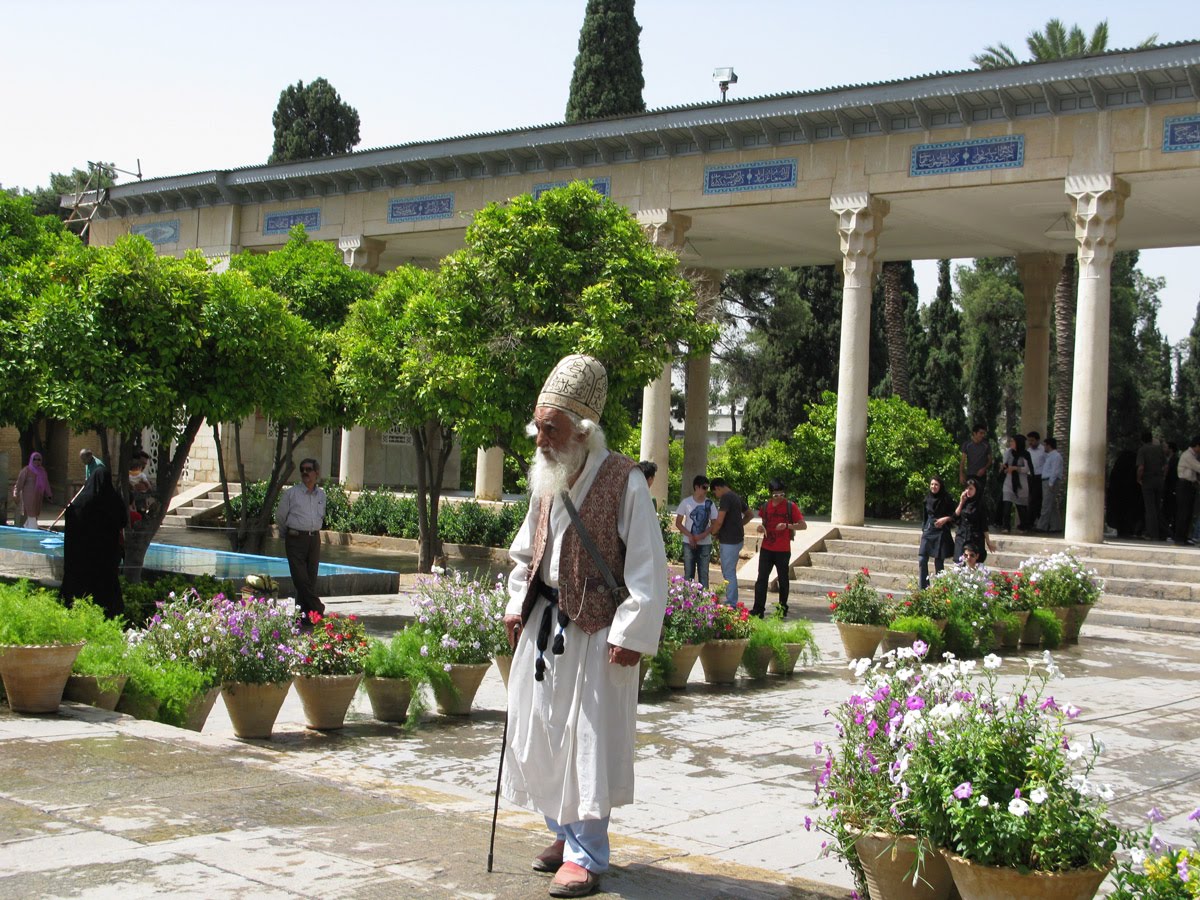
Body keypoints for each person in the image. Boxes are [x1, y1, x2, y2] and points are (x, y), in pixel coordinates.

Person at [501, 354, 667, 899]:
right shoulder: (546, 477)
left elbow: (646, 567)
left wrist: (630, 635)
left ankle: (587, 855)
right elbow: (526, 554)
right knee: (541, 738)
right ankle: (560, 833)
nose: (540, 439)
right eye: (538, 426)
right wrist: (513, 604)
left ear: (583, 431)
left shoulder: (625, 481)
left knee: (586, 745)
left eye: (551, 428)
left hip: (597, 636)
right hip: (544, 627)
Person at [59, 468, 128, 618]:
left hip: (82, 559)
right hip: (106, 559)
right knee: (106, 594)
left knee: (81, 591)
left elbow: (71, 520)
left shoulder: (81, 503)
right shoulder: (114, 502)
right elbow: (123, 520)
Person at [276, 457, 327, 622]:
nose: (305, 473)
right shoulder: (292, 493)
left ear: (316, 473)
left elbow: (321, 515)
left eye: (308, 469)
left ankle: (304, 616)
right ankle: (318, 607)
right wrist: (287, 533)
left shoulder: (321, 494)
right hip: (295, 538)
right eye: (302, 470)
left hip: (314, 539)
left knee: (310, 579)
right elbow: (280, 516)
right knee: (300, 578)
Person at [751, 478, 805, 618]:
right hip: (767, 548)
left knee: (783, 580)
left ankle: (782, 609)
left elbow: (803, 525)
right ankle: (758, 609)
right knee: (762, 579)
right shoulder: (765, 506)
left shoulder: (790, 506)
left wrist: (787, 526)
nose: (779, 497)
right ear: (771, 494)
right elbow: (763, 523)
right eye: (776, 495)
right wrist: (761, 528)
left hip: (783, 549)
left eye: (782, 494)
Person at [709, 477, 752, 607]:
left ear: (717, 488)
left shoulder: (726, 498)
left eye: (714, 493)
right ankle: (731, 600)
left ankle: (731, 602)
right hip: (737, 539)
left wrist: (714, 532)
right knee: (729, 570)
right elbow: (750, 514)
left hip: (729, 541)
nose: (716, 496)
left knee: (729, 572)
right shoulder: (736, 497)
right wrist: (738, 525)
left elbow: (720, 520)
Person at [674, 474, 715, 587]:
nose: (706, 491)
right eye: (704, 487)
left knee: (704, 574)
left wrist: (702, 535)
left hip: (705, 543)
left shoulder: (710, 504)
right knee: (688, 574)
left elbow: (714, 524)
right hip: (688, 542)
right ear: (697, 487)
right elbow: (678, 523)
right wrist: (690, 536)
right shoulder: (686, 502)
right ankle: (687, 600)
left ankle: (704, 602)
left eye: (707, 488)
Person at [917, 475, 955, 589]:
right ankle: (923, 588)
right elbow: (925, 516)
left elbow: (955, 515)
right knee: (922, 559)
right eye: (932, 484)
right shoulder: (927, 498)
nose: (933, 487)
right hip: (929, 530)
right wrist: (924, 529)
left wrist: (945, 519)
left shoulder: (947, 499)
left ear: (940, 486)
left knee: (939, 562)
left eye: (936, 484)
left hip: (941, 532)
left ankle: (940, 589)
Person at [954, 477, 996, 565]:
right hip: (962, 536)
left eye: (971, 488)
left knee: (973, 564)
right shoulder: (964, 502)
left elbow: (984, 524)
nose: (968, 491)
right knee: (959, 563)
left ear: (976, 490)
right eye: (966, 488)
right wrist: (961, 502)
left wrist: (988, 541)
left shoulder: (980, 504)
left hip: (974, 538)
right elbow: (955, 516)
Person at [1136, 431, 1167, 540]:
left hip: (1148, 480)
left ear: (1142, 440)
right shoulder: (1159, 449)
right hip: (1159, 479)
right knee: (1157, 507)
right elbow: (1165, 465)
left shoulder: (1142, 450)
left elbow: (1141, 467)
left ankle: (1152, 534)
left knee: (1150, 509)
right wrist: (1163, 477)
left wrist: (1139, 479)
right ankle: (1162, 532)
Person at [999, 434, 1030, 533]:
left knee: (1021, 506)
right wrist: (1003, 468)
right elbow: (1005, 464)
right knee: (1007, 504)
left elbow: (1027, 469)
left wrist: (1016, 468)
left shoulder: (1025, 454)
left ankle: (1024, 526)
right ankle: (1006, 526)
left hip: (1021, 483)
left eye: (1013, 441)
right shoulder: (1008, 452)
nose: (1011, 443)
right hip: (1009, 481)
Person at [13, 451, 53, 529]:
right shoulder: (26, 470)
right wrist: (16, 493)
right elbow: (19, 483)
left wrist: (49, 494)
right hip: (28, 497)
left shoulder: (42, 471)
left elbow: (46, 484)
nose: (36, 461)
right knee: (31, 514)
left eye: (38, 459)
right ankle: (33, 530)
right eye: (34, 459)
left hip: (38, 497)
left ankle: (27, 528)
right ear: (31, 459)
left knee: (34, 514)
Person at [1173, 438, 1200, 547]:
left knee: (1188, 513)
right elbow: (1198, 467)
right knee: (1183, 512)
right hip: (1184, 485)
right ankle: (1179, 538)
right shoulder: (1188, 455)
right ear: (1197, 445)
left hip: (1190, 486)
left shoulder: (1193, 456)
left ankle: (1184, 537)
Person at [1036, 437, 1064, 533]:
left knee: (1046, 504)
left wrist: (1051, 483)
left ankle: (1041, 526)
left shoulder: (1056, 456)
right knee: (1051, 505)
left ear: (1049, 445)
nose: (1044, 447)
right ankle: (1056, 526)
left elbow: (1055, 471)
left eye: (1045, 445)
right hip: (1046, 480)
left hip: (1050, 481)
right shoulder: (1049, 456)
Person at [1026, 431, 1045, 534]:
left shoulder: (1043, 450)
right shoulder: (1028, 451)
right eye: (1029, 440)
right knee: (1030, 500)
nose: (1030, 442)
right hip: (1030, 477)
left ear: (1037, 440)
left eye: (1032, 440)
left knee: (1037, 500)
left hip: (1040, 477)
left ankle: (1038, 521)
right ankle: (1030, 522)